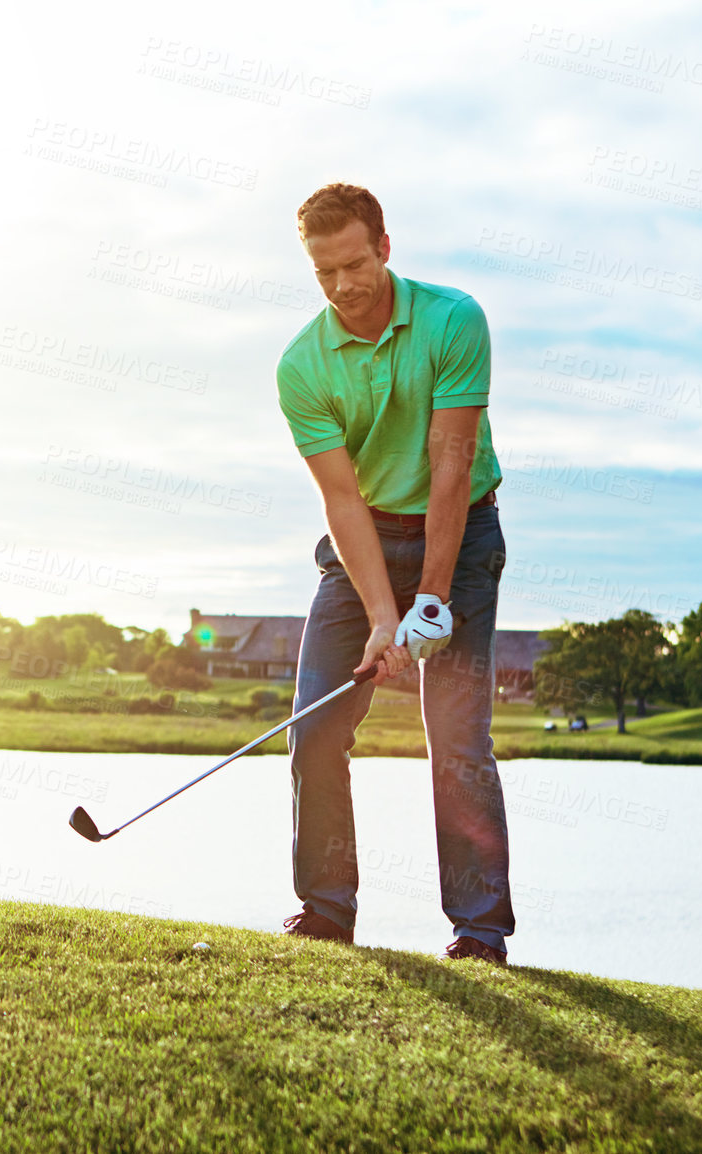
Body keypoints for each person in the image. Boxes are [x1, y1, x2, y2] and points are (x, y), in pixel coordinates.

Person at [274, 182, 513, 965]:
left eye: (352, 264)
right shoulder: (301, 365)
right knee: (314, 726)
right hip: (363, 540)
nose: (342, 286)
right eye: (323, 273)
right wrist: (383, 615)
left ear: (383, 247)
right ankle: (324, 912)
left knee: (454, 736)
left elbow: (450, 467)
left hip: (462, 531)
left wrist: (431, 604)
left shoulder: (453, 319)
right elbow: (341, 501)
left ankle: (477, 932)